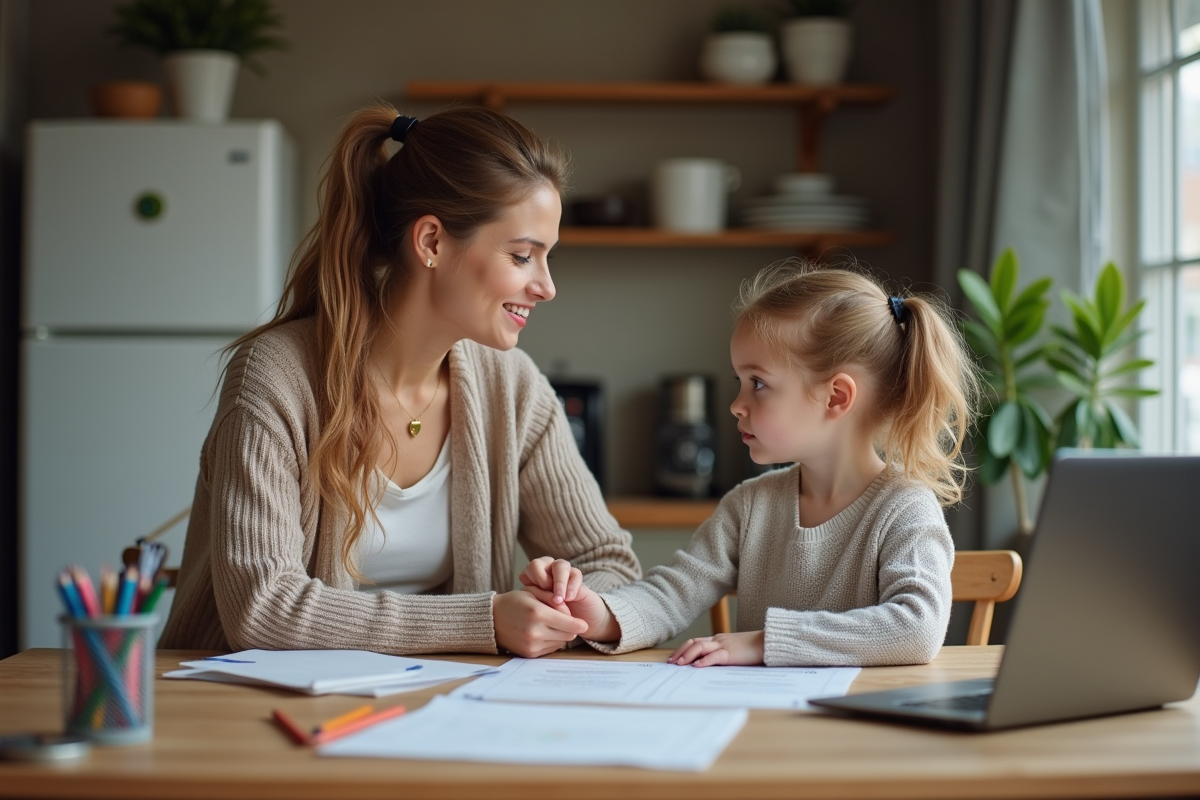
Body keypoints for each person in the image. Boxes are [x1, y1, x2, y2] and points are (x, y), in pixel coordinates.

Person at [160, 105, 640, 657]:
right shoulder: (276, 378)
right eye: (522, 256)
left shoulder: (513, 387)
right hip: (243, 715)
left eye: (546, 259)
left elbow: (612, 565)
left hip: (434, 708)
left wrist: (573, 600)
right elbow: (263, 609)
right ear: (432, 242)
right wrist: (484, 620)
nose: (546, 287)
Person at [519, 262, 979, 667]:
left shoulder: (904, 509)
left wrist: (764, 643)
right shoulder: (751, 506)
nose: (737, 405)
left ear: (836, 396)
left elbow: (917, 627)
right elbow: (671, 593)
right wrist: (597, 612)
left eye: (757, 383)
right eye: (740, 380)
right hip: (762, 730)